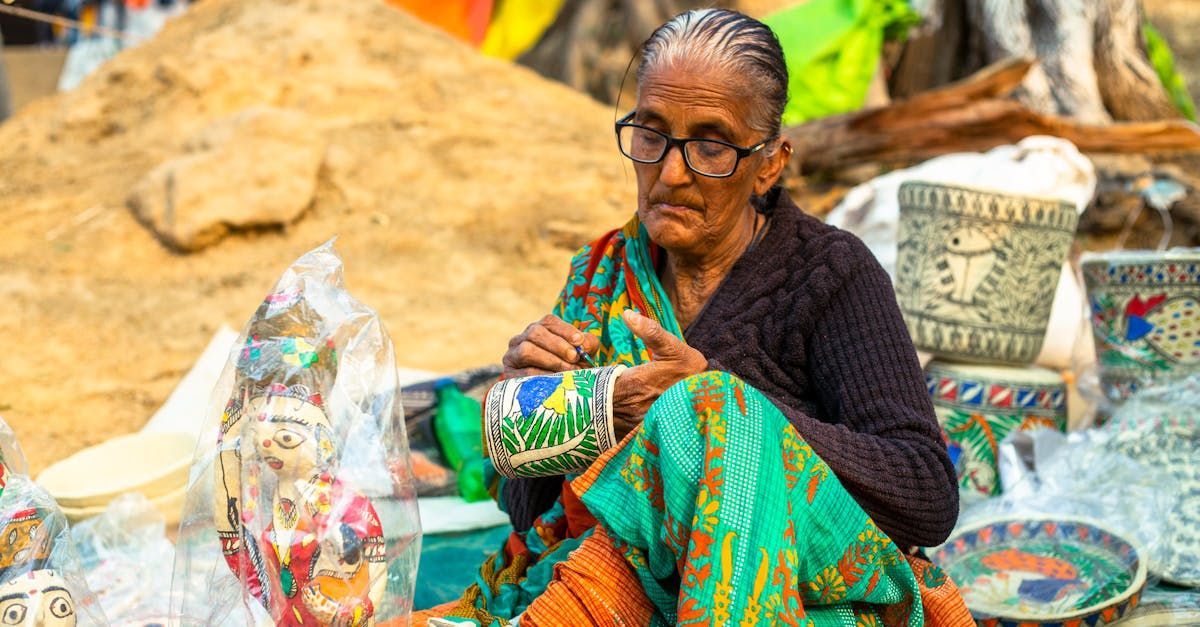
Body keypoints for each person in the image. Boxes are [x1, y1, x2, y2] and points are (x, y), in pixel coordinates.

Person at [412, 9, 970, 626]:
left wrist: (709, 409)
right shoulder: (602, 275)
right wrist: (538, 410)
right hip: (607, 587)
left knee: (712, 410)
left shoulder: (829, 274)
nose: (671, 173)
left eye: (710, 145)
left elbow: (925, 494)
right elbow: (533, 515)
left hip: (790, 599)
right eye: (651, 134)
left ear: (770, 163)